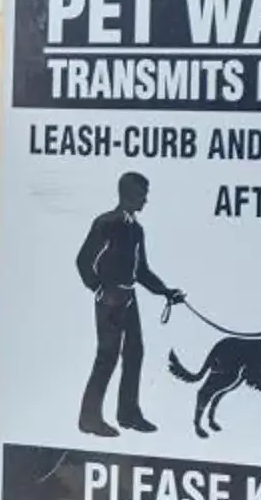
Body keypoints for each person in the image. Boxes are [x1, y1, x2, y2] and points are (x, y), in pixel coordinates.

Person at [74, 170, 184, 437]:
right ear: (128, 195)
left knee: (135, 354)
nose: (145, 200)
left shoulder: (136, 229)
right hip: (109, 300)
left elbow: (141, 271)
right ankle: (89, 419)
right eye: (141, 195)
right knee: (107, 358)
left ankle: (128, 414)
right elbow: (83, 260)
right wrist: (98, 288)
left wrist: (166, 292)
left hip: (129, 297)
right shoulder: (106, 223)